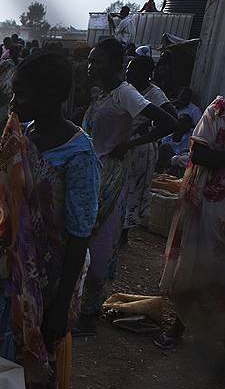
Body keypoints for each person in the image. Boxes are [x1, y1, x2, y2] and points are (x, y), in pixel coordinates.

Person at [0, 51, 102, 389]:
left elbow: (79, 233)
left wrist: (59, 304)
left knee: (34, 364)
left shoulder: (78, 155)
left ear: (53, 98)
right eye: (14, 92)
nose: (13, 102)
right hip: (9, 269)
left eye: (22, 95)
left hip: (50, 277)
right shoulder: (22, 137)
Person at [76, 39, 176, 335]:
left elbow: (169, 122)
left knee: (99, 240)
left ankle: (90, 312)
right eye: (91, 61)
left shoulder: (125, 94)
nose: (92, 67)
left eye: (99, 61)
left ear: (117, 64)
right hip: (93, 172)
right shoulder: (102, 94)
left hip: (110, 175)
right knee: (83, 237)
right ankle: (81, 303)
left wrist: (130, 143)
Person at [158, 96, 225, 349]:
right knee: (196, 261)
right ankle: (179, 326)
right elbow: (199, 152)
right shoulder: (218, 111)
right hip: (208, 203)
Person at [122, 56, 176, 236]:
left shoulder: (154, 93)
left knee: (132, 191)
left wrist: (149, 127)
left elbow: (173, 120)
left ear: (145, 74)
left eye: (133, 69)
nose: (128, 72)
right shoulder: (127, 89)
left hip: (139, 149)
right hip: (122, 145)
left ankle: (123, 234)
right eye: (128, 68)